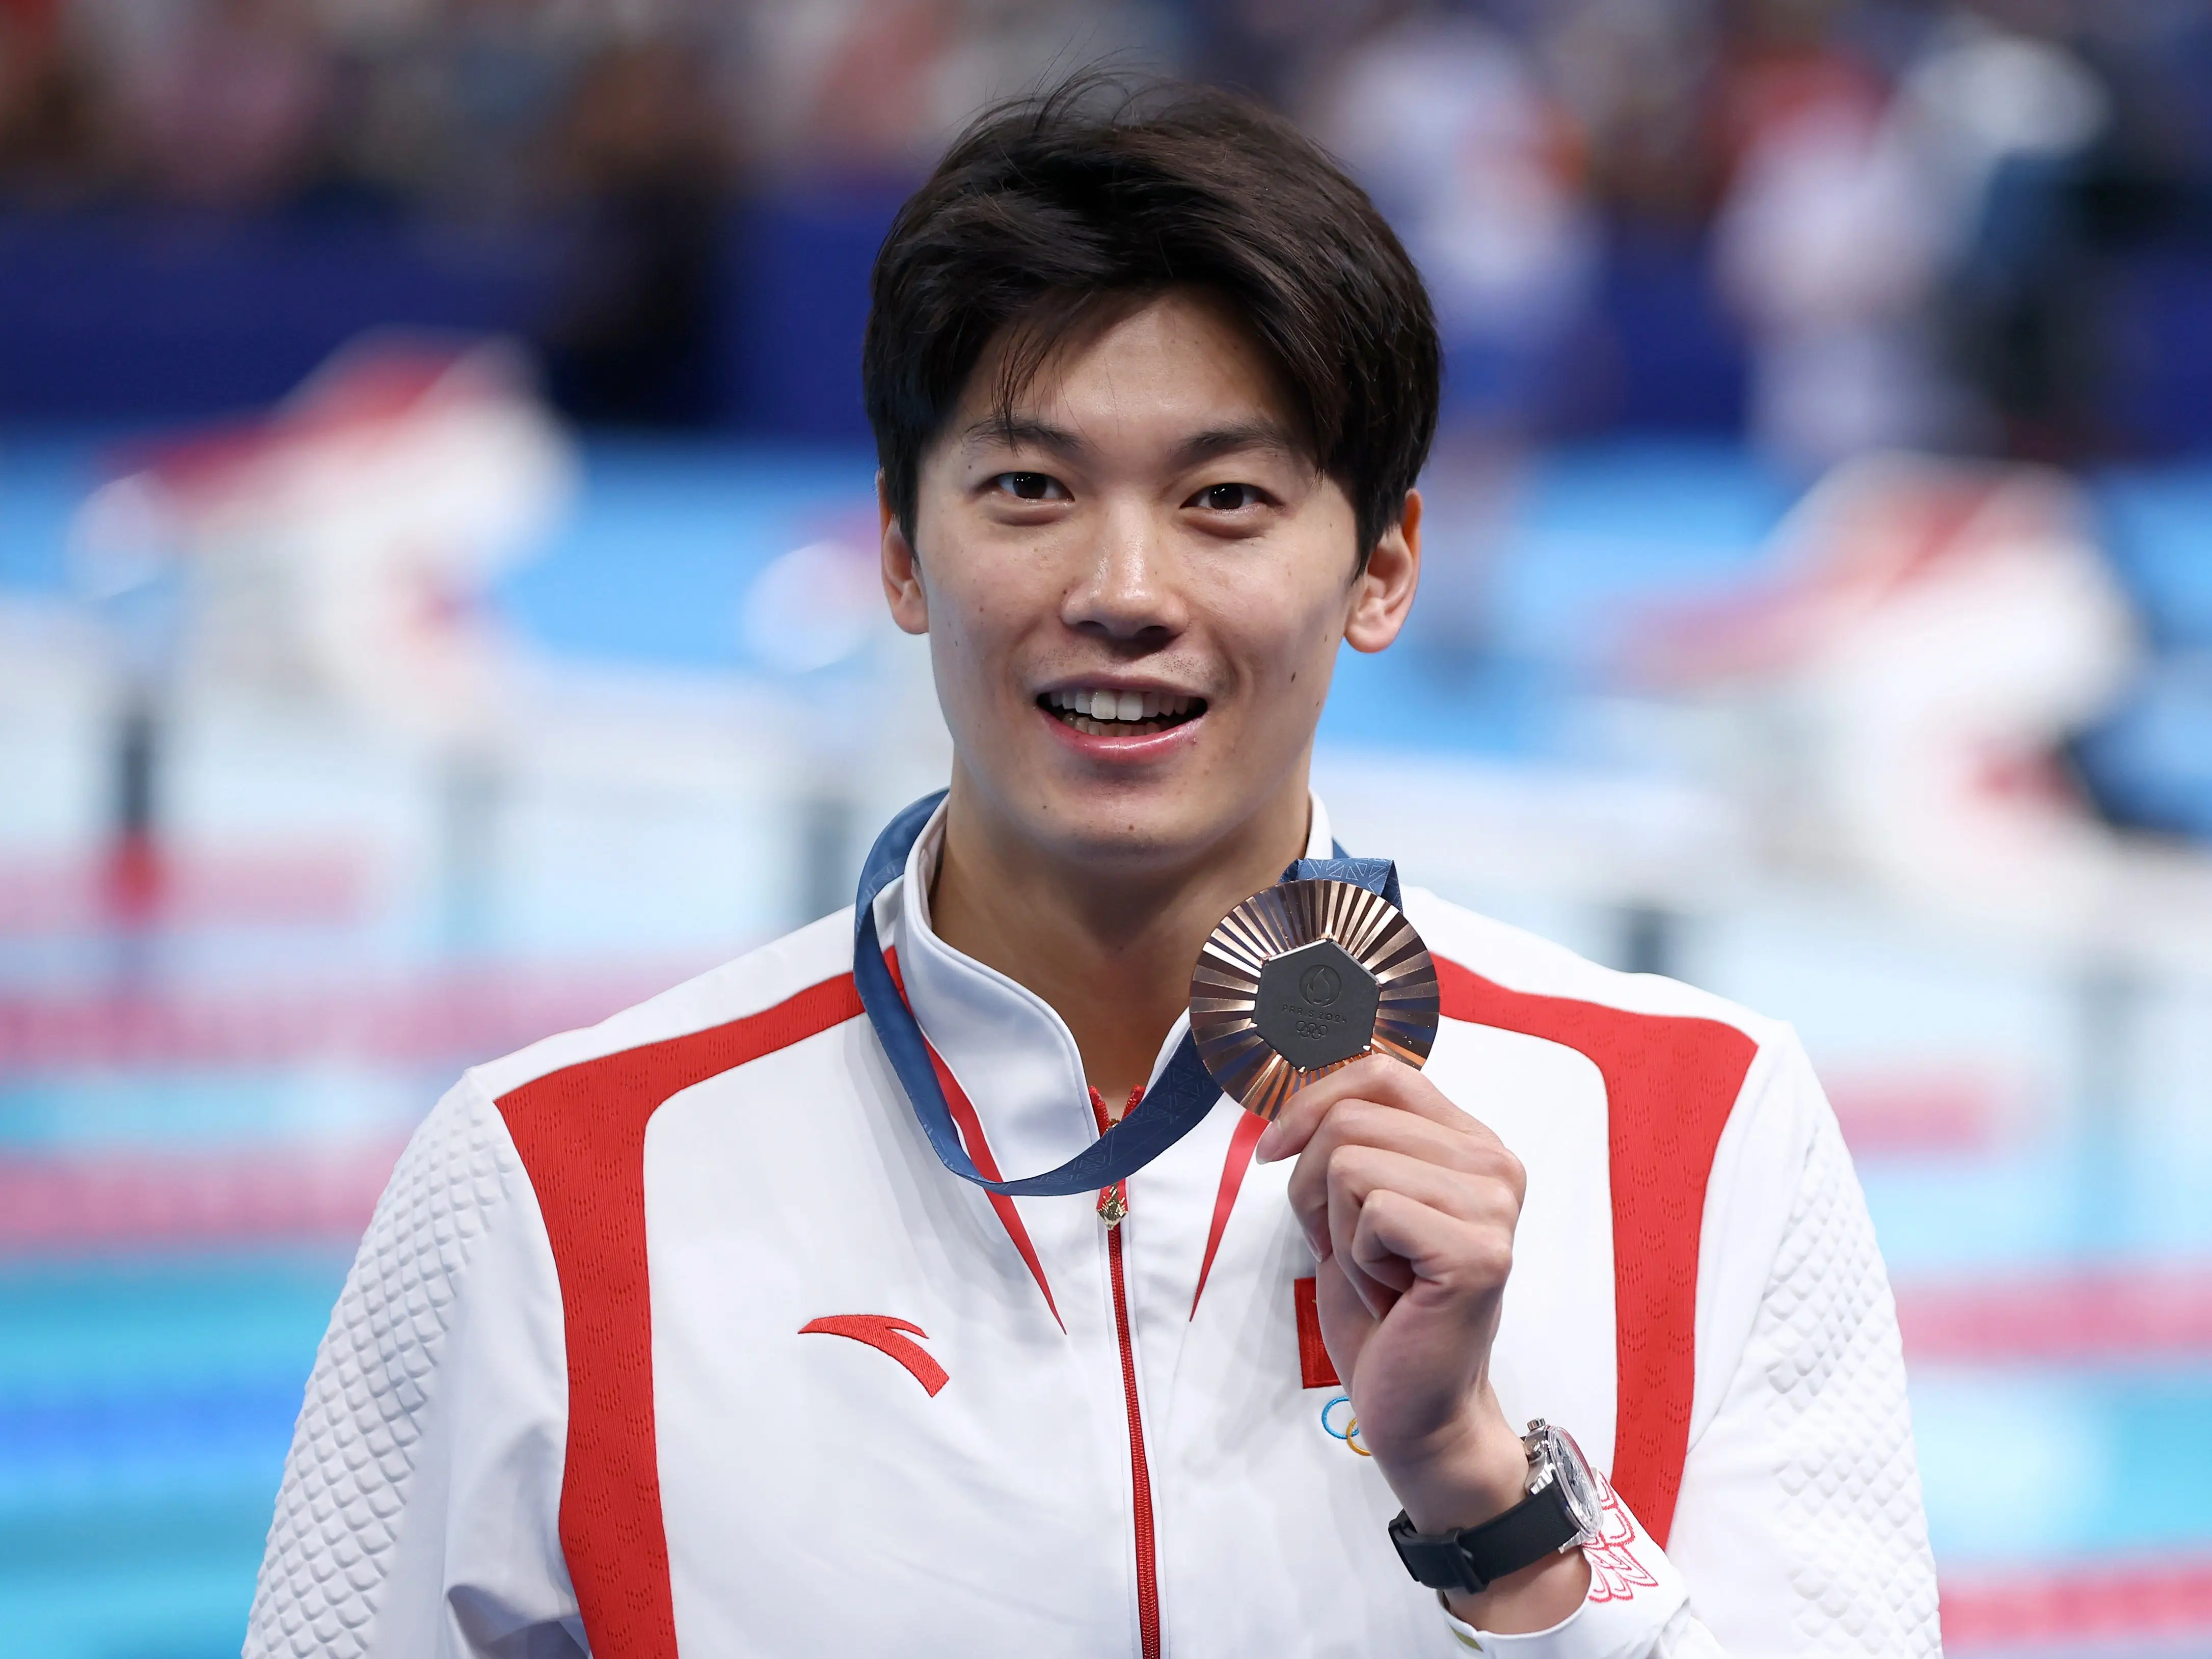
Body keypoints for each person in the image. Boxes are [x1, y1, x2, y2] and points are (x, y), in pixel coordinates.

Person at [245, 78, 1939, 1658]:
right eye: (1029, 487)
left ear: (1384, 564)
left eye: (1223, 500)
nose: (1123, 586)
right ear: (903, 550)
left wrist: (1490, 1506)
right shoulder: (549, 1183)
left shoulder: (1697, 1128)